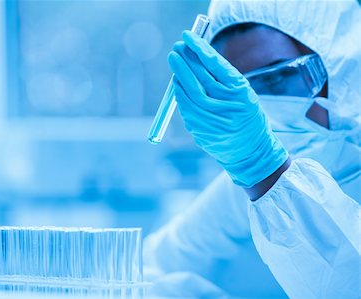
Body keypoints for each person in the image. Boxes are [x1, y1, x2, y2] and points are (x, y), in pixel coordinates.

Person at [143, 0, 360, 298]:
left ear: (339, 66)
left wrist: (265, 170)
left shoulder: (261, 163)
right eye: (237, 90)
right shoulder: (248, 179)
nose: (256, 108)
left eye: (276, 77)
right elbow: (155, 268)